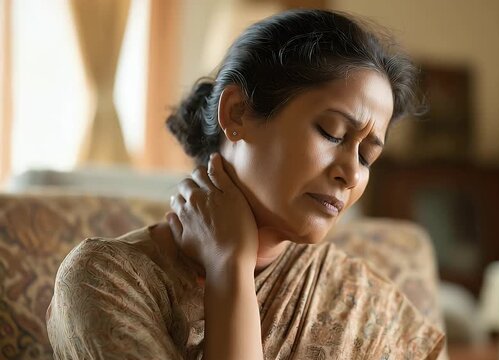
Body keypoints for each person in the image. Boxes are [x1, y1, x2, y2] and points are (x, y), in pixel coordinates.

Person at [46, 9, 445, 360]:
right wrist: (230, 266)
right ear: (237, 112)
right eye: (332, 132)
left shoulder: (361, 301)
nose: (352, 173)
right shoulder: (105, 281)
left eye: (366, 156)